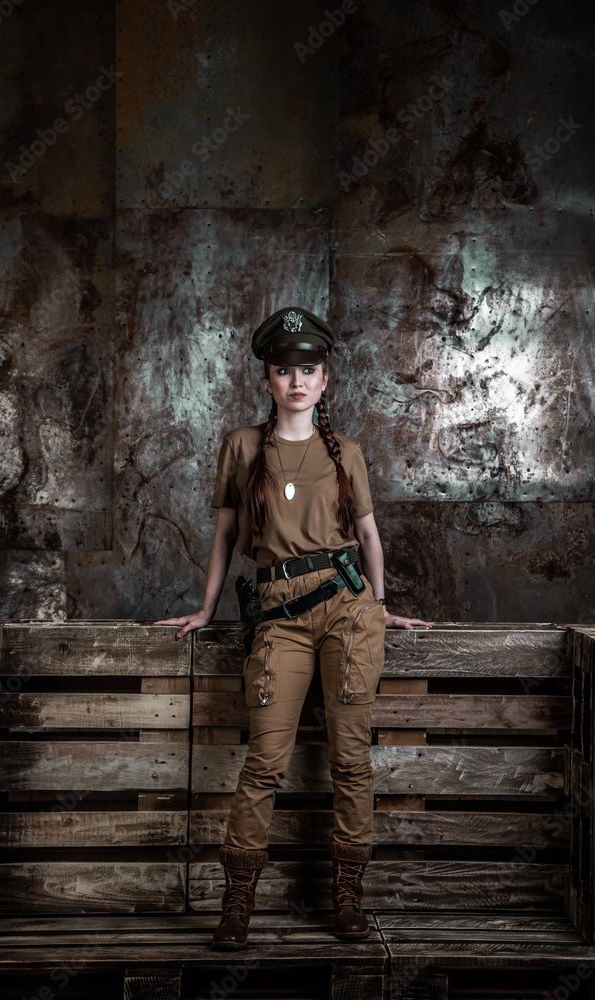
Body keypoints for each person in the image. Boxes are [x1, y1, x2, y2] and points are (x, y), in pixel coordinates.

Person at [155, 306, 432, 950]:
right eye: (285, 371)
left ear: (326, 378)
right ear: (268, 379)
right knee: (265, 763)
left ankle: (347, 899)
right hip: (279, 616)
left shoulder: (349, 454)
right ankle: (238, 904)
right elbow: (225, 534)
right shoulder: (243, 447)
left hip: (348, 614)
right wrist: (207, 609)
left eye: (309, 370)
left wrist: (378, 603)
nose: (297, 382)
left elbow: (367, 536)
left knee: (350, 761)